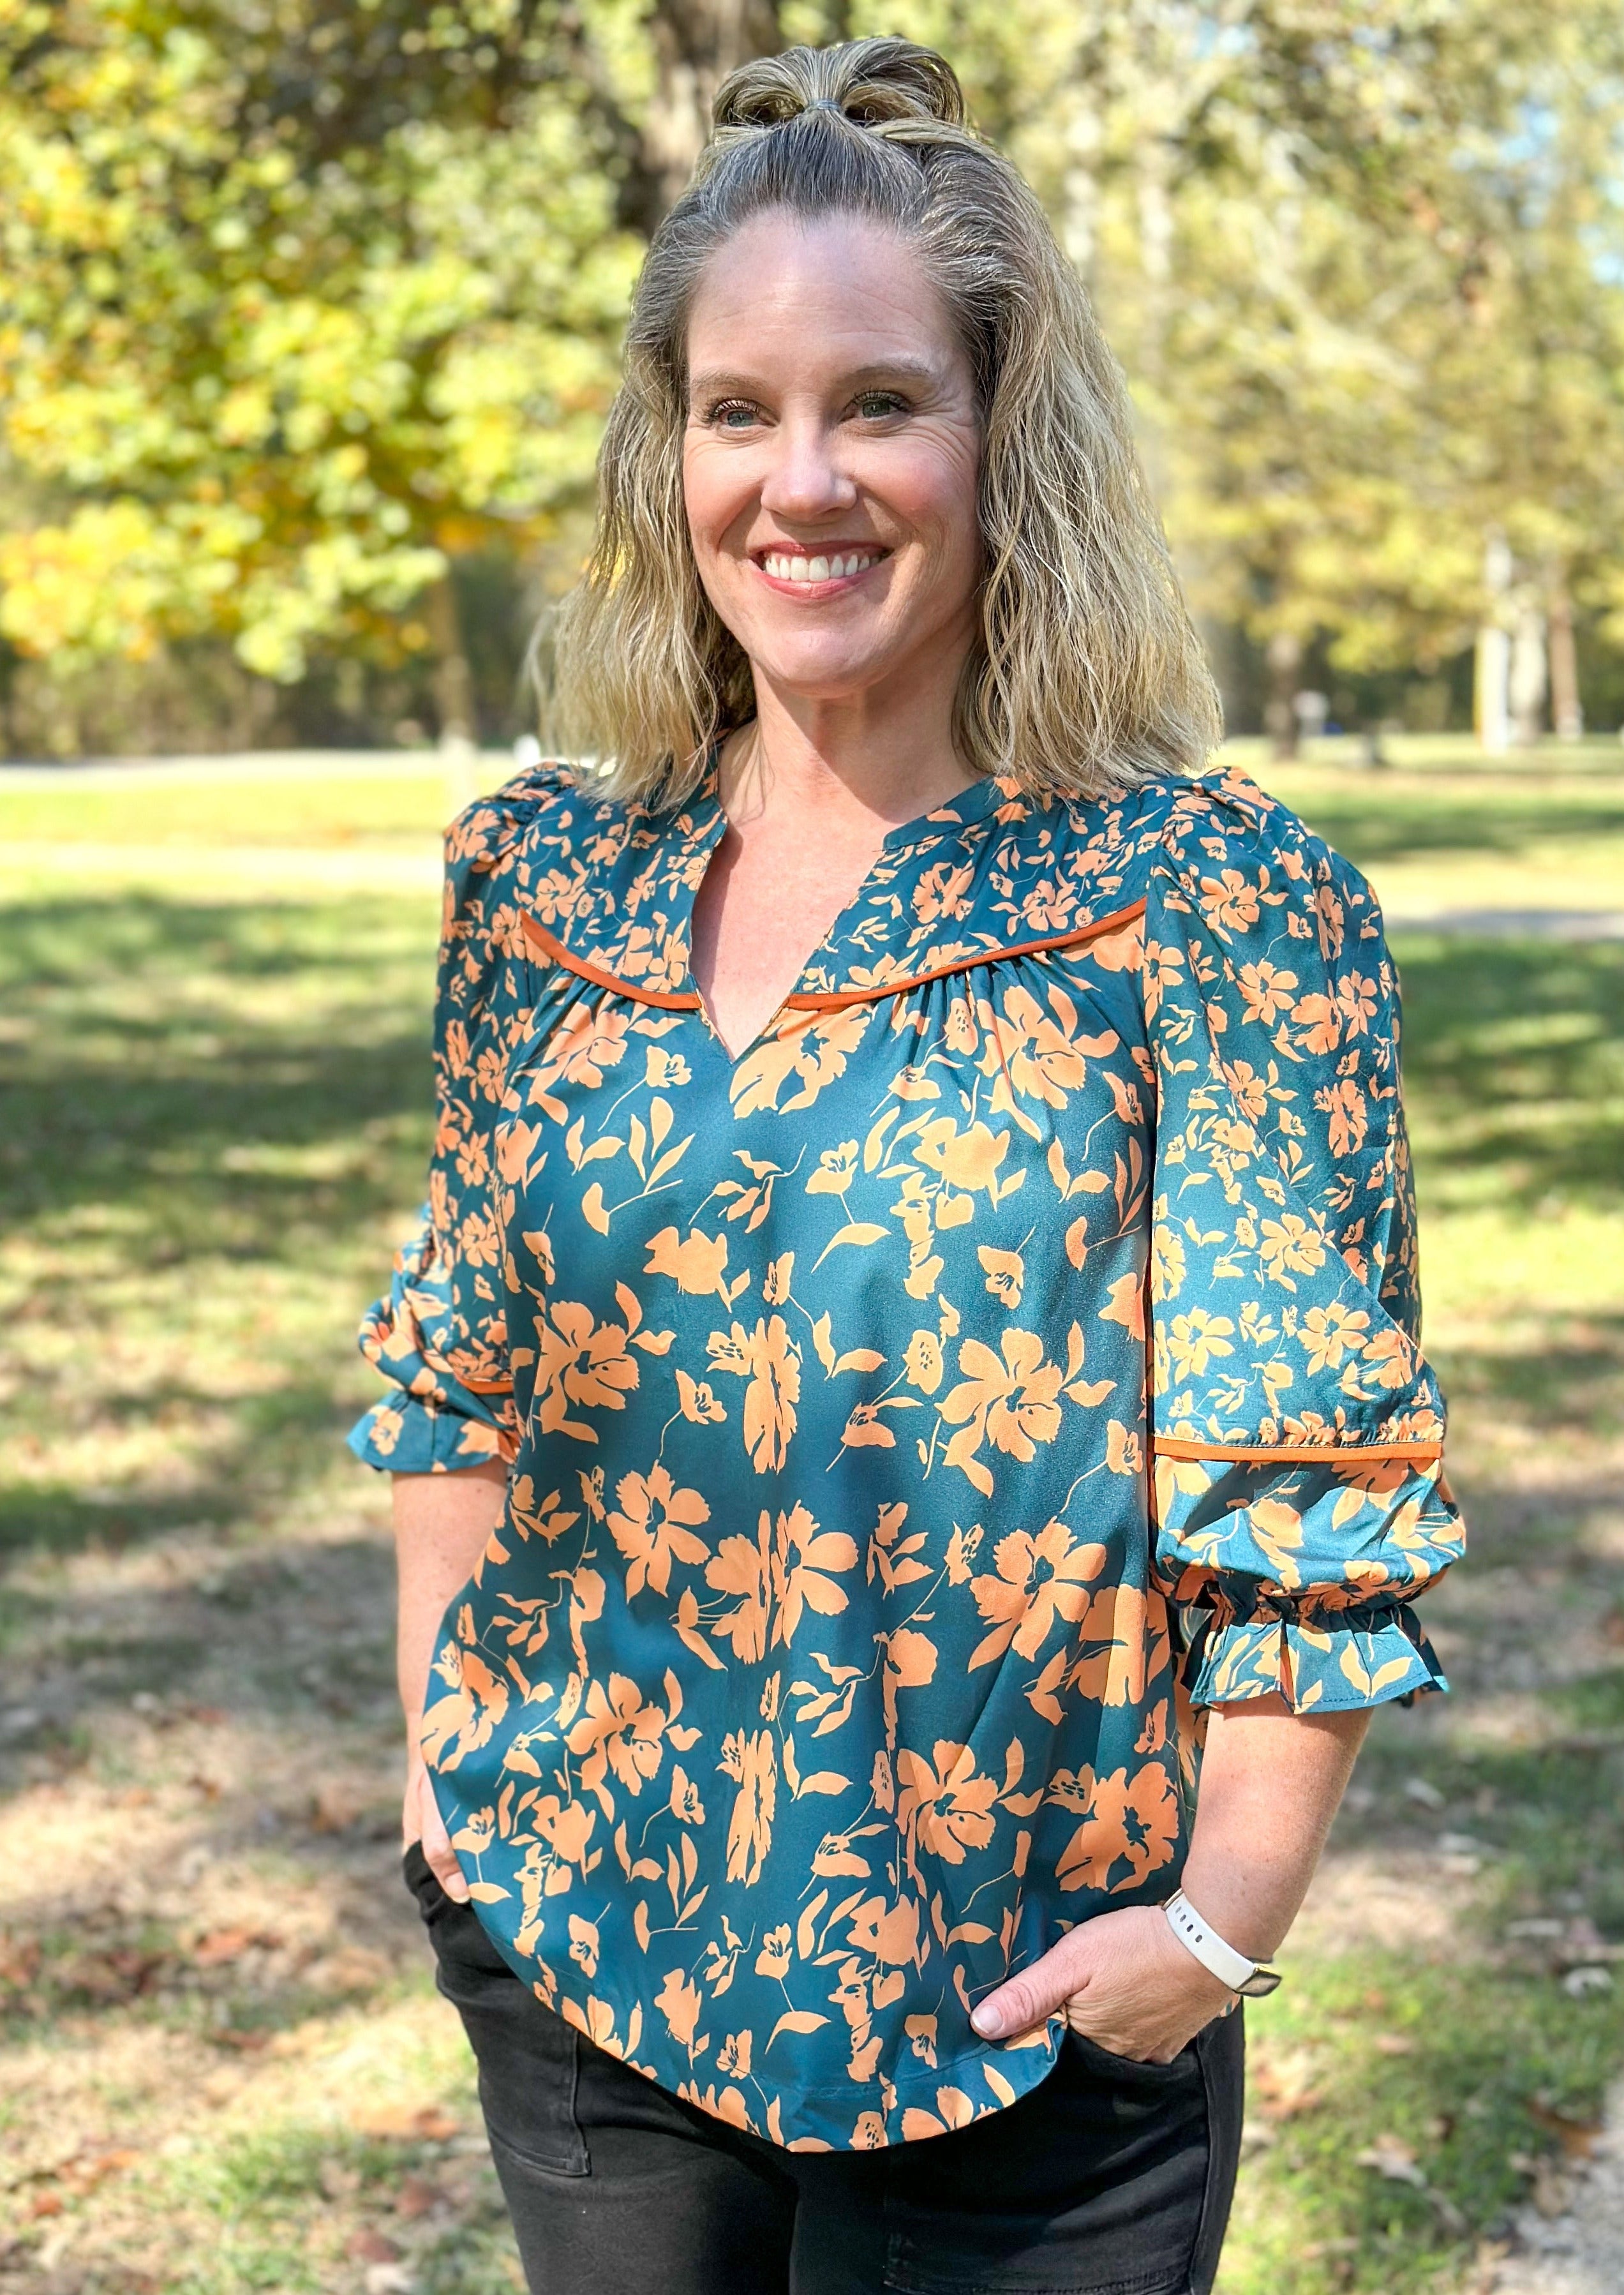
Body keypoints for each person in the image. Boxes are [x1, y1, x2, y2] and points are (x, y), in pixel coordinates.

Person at [350, 36, 1464, 2295]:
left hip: (1024, 2022)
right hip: (583, 1948)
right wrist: (446, 1771)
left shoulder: (1204, 905)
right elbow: (458, 1363)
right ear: (668, 453)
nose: (801, 480)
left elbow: (1305, 1477)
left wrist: (1215, 1931)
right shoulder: (542, 879)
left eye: (877, 402)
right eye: (735, 410)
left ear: (997, 440)